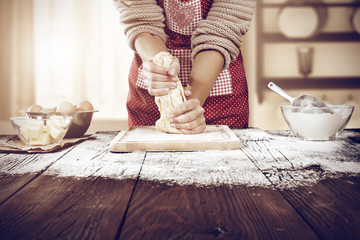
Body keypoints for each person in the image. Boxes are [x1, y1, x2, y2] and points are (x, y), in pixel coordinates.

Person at [113, 0, 256, 134]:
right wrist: (160, 63)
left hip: (221, 101)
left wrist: (188, 109)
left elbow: (221, 33)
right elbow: (141, 21)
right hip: (152, 96)